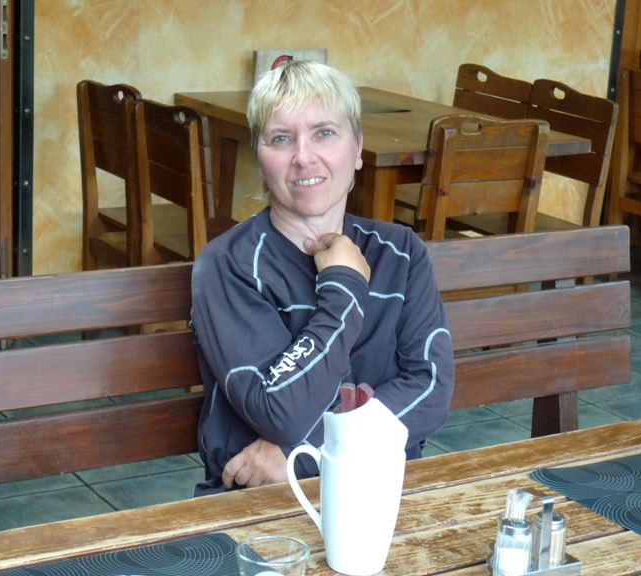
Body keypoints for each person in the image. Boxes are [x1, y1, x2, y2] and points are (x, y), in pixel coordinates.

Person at [191, 61, 454, 496]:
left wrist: (305, 451)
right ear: (260, 160)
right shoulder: (228, 265)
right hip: (262, 501)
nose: (303, 157)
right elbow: (278, 413)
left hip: (383, 490)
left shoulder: (400, 252)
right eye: (281, 138)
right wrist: (344, 287)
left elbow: (430, 387)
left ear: (358, 149)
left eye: (325, 133)